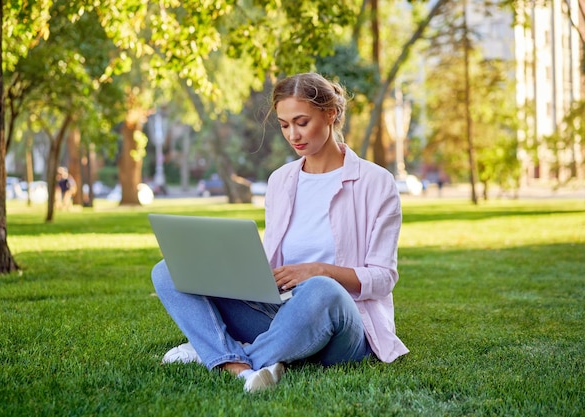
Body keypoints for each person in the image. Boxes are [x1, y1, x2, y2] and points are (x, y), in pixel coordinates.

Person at [151, 72, 409, 393]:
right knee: (168, 270)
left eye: (302, 122)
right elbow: (274, 259)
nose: (293, 135)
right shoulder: (280, 181)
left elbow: (383, 278)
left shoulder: (376, 181)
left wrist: (317, 271)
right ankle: (238, 366)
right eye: (285, 125)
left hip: (343, 322)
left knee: (321, 289)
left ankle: (217, 353)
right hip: (281, 309)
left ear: (331, 114)